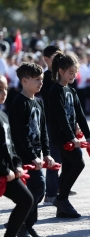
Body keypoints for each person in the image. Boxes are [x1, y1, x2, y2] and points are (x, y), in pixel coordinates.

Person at [9, 62, 55, 237]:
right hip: (23, 156)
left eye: (41, 79)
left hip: (35, 155)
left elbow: (43, 131)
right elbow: (21, 135)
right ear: (24, 81)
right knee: (37, 188)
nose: (40, 83)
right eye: (37, 80)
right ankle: (23, 224)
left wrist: (47, 154)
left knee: (37, 190)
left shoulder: (38, 103)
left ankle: (25, 224)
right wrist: (33, 156)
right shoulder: (18, 103)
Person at [48, 52, 90, 218]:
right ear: (61, 71)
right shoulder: (56, 90)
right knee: (78, 163)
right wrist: (72, 137)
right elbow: (61, 117)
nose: (73, 76)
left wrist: (88, 136)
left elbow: (80, 115)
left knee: (69, 166)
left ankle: (61, 205)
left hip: (70, 137)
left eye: (75, 72)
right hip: (61, 137)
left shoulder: (72, 91)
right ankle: (61, 199)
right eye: (70, 72)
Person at [41, 45, 77, 206]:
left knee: (68, 159)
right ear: (47, 59)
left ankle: (61, 187)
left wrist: (75, 123)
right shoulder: (47, 77)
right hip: (52, 123)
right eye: (55, 57)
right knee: (54, 159)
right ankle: (50, 193)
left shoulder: (66, 78)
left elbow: (72, 104)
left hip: (67, 124)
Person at [0, 75, 34, 237]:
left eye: (5, 89)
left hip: (7, 172)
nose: (4, 93)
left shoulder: (3, 115)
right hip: (2, 171)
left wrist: (17, 165)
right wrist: (5, 170)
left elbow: (10, 146)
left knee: (26, 200)